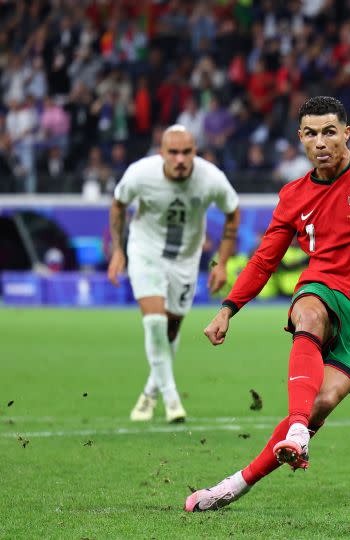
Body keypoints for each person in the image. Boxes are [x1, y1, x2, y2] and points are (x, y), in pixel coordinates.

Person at [185, 96, 350, 511]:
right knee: (308, 312)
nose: (321, 142)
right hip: (323, 283)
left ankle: (238, 483)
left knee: (324, 402)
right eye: (311, 133)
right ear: (300, 138)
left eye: (329, 132)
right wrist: (228, 308)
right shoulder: (293, 195)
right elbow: (265, 259)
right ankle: (296, 430)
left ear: (346, 133)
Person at [108, 125, 240, 423]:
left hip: (186, 260)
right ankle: (172, 400)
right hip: (145, 252)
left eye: (186, 152)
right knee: (154, 323)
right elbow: (118, 204)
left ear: (195, 151)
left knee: (170, 332)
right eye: (173, 152)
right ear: (161, 153)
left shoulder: (211, 179)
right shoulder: (141, 174)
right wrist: (118, 250)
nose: (180, 159)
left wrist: (222, 262)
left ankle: (149, 393)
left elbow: (232, 211)